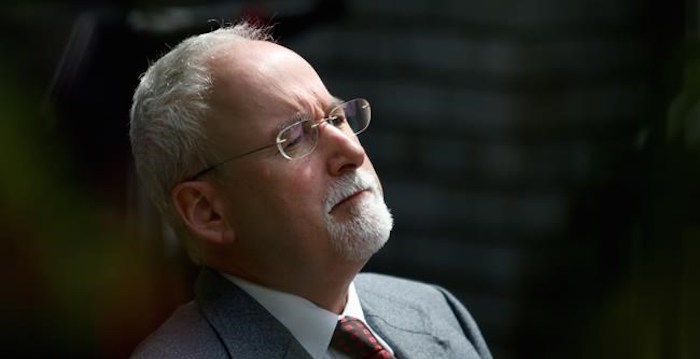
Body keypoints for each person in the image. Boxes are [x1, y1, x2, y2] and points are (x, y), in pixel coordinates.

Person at [129, 21, 492, 359]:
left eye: (337, 118)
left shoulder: (436, 310)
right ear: (207, 211)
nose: (352, 152)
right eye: (295, 138)